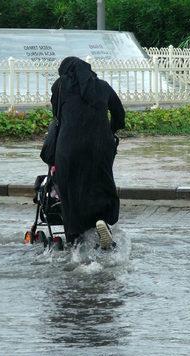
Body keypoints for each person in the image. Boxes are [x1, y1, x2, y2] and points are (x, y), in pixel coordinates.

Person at [41, 56, 125, 250]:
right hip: (99, 146)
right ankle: (102, 220)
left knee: (70, 186)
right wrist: (109, 132)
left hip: (69, 146)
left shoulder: (60, 86)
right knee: (100, 182)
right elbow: (119, 115)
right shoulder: (103, 86)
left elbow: (58, 117)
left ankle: (75, 240)